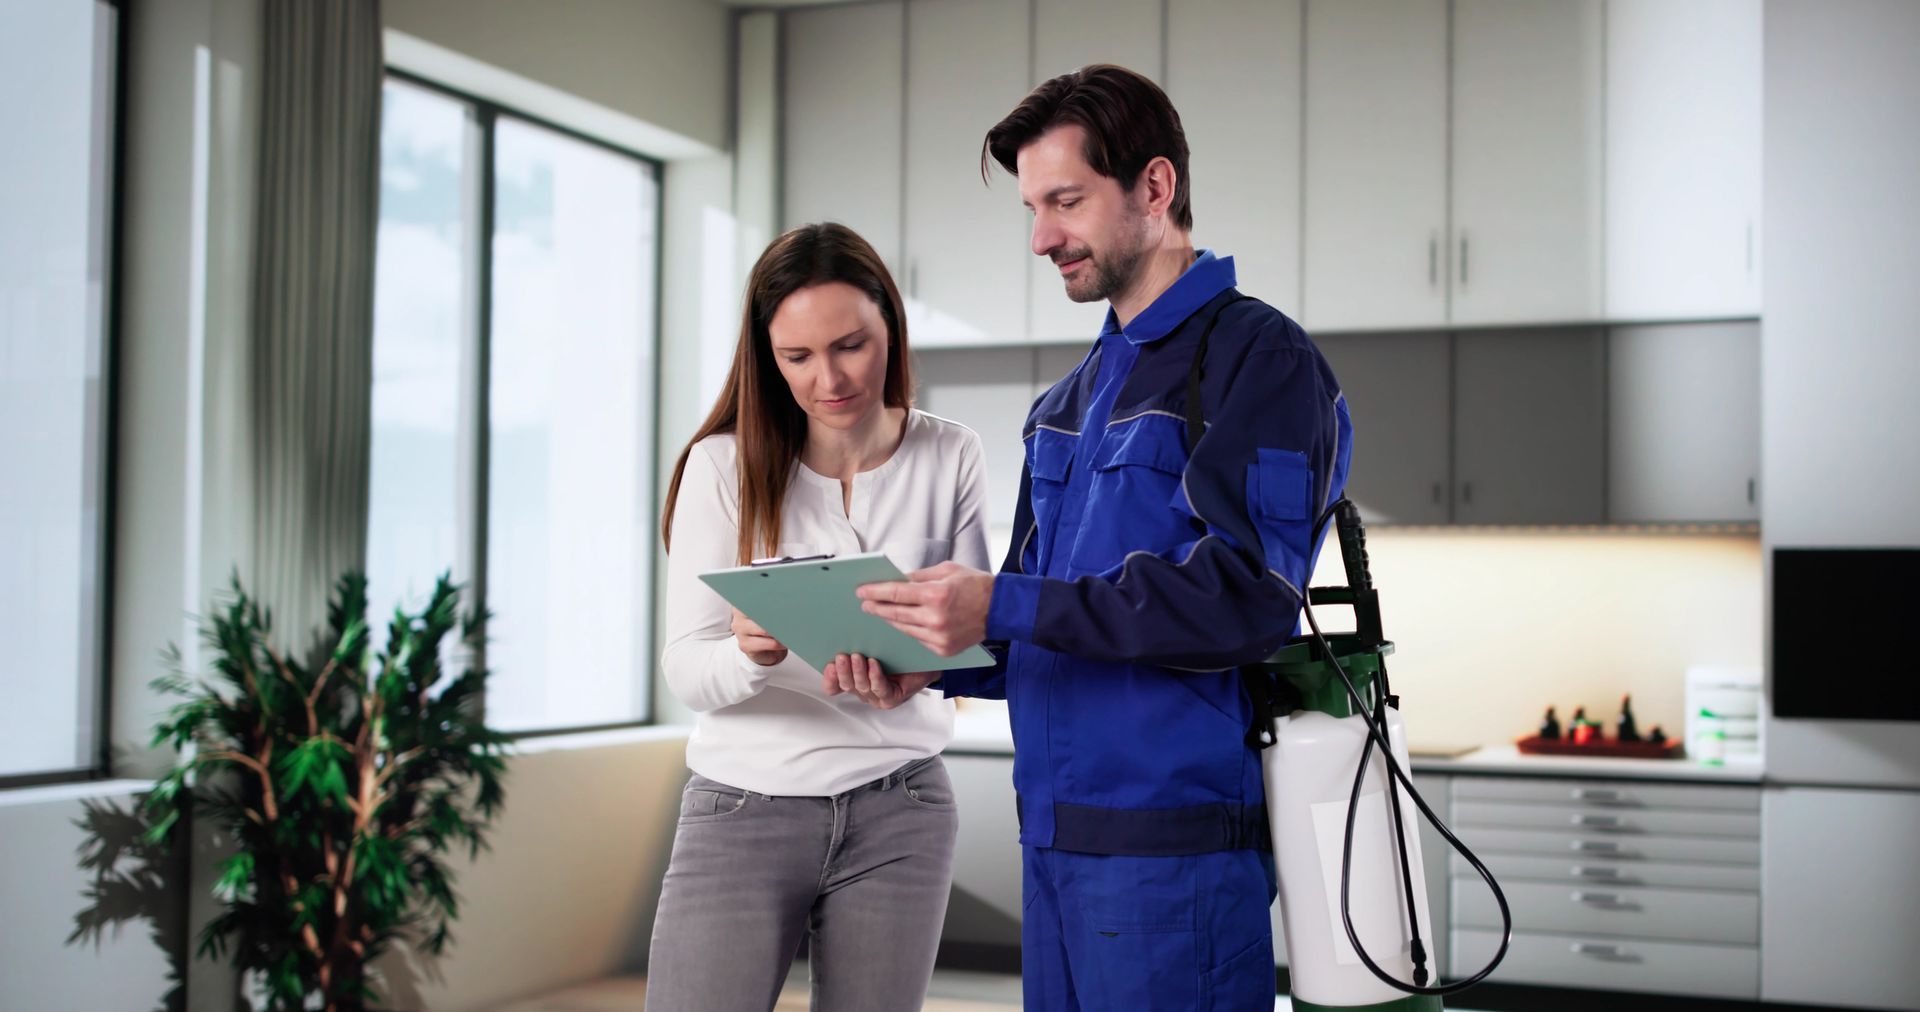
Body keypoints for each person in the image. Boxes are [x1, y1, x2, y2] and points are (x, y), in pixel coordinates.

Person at [856, 65, 1354, 1010]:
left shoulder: (1260, 362)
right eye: (1033, 208)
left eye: (1066, 201)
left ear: (1155, 188)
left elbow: (1244, 601)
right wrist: (932, 659)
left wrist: (996, 602)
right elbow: (1042, 620)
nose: (1042, 237)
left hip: (1174, 860)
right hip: (1050, 845)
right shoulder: (1068, 401)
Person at [645, 222, 991, 1011]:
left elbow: (973, 629)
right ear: (767, 357)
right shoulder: (723, 466)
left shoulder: (951, 453)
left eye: (850, 346)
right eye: (796, 357)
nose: (827, 378)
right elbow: (685, 669)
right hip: (742, 805)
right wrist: (749, 654)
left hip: (902, 808)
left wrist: (923, 669)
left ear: (891, 333)